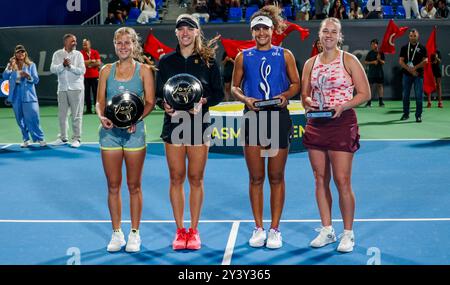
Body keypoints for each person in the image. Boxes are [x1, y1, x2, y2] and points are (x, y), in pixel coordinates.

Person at [231, 5, 300, 249]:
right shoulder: (243, 56)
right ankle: (259, 227)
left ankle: (275, 229)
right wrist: (246, 99)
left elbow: (295, 84)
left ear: (273, 31)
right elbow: (234, 87)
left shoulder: (285, 55)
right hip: (253, 117)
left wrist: (285, 96)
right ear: (252, 32)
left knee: (276, 176)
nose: (261, 32)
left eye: (265, 28)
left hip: (278, 117)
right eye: (257, 29)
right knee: (256, 177)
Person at [300, 17, 370, 253]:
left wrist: (344, 105)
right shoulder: (310, 63)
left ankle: (348, 233)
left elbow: (364, 93)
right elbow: (304, 96)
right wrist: (308, 102)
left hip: (342, 123)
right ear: (319, 35)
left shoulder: (348, 60)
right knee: (320, 179)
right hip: (317, 124)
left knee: (342, 181)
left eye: (333, 32)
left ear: (339, 36)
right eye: (325, 31)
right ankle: (327, 229)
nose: (328, 35)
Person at [155, 14, 224, 250]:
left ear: (197, 32)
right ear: (176, 33)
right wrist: (162, 104)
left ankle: (193, 231)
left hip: (198, 125)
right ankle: (179, 230)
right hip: (173, 125)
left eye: (189, 29)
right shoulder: (165, 62)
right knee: (176, 178)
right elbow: (157, 95)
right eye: (180, 29)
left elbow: (219, 94)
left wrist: (203, 101)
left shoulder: (209, 61)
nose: (185, 33)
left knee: (196, 178)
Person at [96, 27, 155, 253]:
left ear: (134, 45)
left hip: (134, 133)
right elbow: (100, 101)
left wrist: (136, 118)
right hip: (109, 134)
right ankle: (117, 232)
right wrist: (101, 116)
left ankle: (134, 234)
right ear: (114, 45)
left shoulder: (144, 71)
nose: (123, 46)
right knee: (113, 185)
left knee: (134, 185)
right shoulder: (105, 70)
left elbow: (149, 101)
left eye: (127, 43)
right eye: (119, 43)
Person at [2, 45, 46, 147]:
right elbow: (5, 76)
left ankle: (40, 138)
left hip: (29, 96)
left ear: (25, 53)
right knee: (20, 119)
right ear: (15, 54)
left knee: (33, 117)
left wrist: (28, 76)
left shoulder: (31, 65)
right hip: (16, 96)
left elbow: (36, 80)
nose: (20, 54)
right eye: (18, 52)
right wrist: (9, 66)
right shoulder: (12, 65)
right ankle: (26, 139)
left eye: (22, 52)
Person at [50, 34, 86, 148]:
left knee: (76, 115)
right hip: (62, 88)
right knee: (62, 115)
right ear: (65, 42)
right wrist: (62, 65)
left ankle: (77, 139)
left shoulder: (78, 54)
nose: (75, 43)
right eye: (72, 41)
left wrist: (70, 66)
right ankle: (63, 138)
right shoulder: (57, 54)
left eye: (75, 41)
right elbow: (53, 69)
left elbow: (82, 70)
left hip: (76, 88)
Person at [399, 29, 427, 123]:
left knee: (419, 96)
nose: (413, 37)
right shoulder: (404, 47)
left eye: (414, 36)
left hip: (418, 75)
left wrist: (414, 68)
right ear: (409, 36)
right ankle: (406, 114)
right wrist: (410, 70)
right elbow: (401, 61)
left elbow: (425, 61)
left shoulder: (422, 48)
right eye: (411, 36)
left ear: (417, 36)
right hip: (407, 75)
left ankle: (418, 115)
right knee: (405, 95)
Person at [81, 39, 101, 114]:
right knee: (86, 94)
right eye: (83, 45)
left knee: (96, 93)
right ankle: (88, 109)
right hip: (85, 77)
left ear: (89, 45)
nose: (84, 46)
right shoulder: (81, 53)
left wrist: (88, 64)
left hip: (95, 76)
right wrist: (91, 61)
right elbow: (81, 63)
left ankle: (97, 110)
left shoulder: (95, 52)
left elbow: (98, 63)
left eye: (86, 44)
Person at [364, 39, 385, 107]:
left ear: (377, 45)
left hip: (379, 73)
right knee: (370, 87)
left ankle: (381, 102)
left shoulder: (381, 53)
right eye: (372, 44)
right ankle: (369, 102)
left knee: (380, 86)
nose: (372, 46)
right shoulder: (370, 53)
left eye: (374, 44)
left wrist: (379, 59)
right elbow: (365, 62)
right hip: (371, 73)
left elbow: (383, 62)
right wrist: (373, 62)